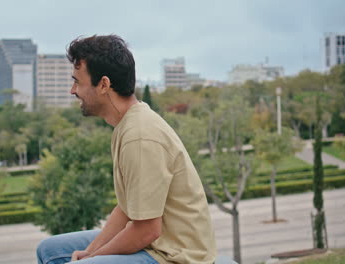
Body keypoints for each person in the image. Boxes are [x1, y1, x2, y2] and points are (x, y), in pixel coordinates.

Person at [36, 35, 217, 264]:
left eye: (77, 82)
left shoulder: (139, 137)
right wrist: (90, 251)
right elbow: (126, 209)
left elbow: (146, 230)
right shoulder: (127, 125)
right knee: (49, 250)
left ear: (104, 84)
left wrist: (90, 259)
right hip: (155, 244)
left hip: (175, 256)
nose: (72, 90)